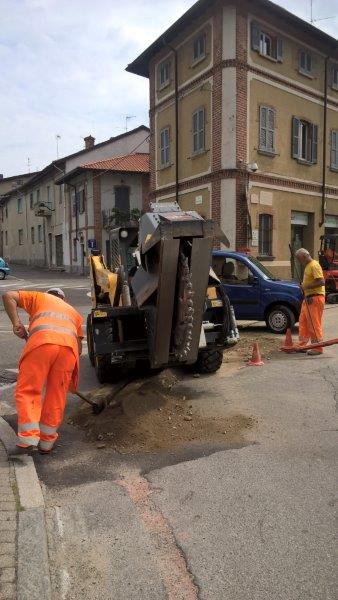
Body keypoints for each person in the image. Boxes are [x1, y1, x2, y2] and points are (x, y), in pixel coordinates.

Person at [2, 287, 83, 455]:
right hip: (68, 351)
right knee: (56, 394)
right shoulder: (73, 312)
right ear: (63, 299)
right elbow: (80, 347)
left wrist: (17, 324)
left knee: (29, 389)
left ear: (49, 294)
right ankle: (47, 442)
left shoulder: (39, 297)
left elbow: (8, 296)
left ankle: (29, 437)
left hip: (42, 343)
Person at [295, 248, 325, 356]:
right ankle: (303, 345)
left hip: (315, 298)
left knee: (313, 323)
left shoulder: (314, 265)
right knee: (303, 322)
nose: (299, 261)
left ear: (303, 256)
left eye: (299, 259)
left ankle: (318, 347)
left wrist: (305, 286)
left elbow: (321, 281)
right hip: (308, 298)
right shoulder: (308, 266)